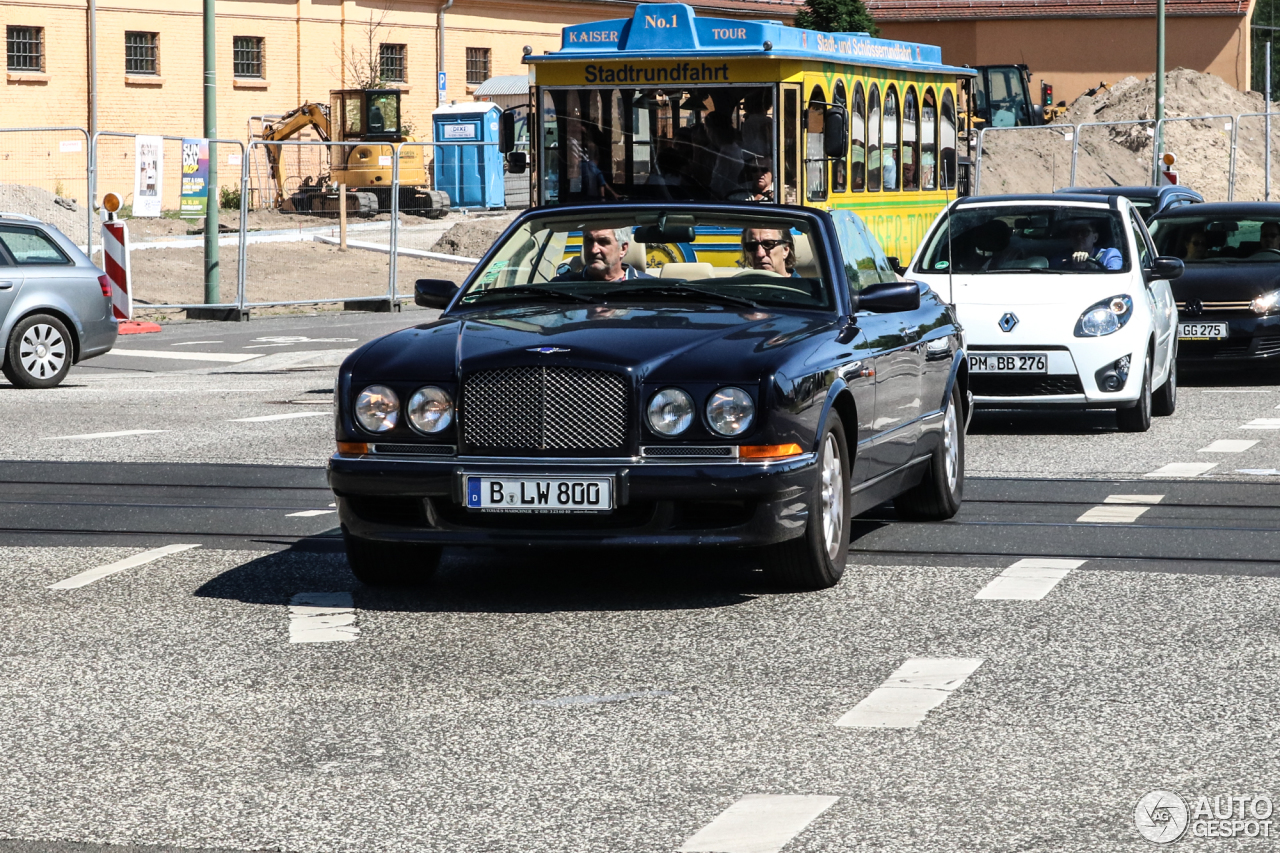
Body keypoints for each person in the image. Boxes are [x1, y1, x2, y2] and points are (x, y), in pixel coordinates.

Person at [552, 228, 651, 282]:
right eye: (589, 241)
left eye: (603, 242)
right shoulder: (561, 286)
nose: (594, 250)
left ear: (623, 248)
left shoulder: (650, 288)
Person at [1052, 219, 1122, 270]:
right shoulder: (1060, 258)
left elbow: (1115, 277)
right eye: (1074, 232)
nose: (1078, 236)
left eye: (1084, 232)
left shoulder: (1109, 255)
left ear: (1095, 237)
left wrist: (1092, 266)